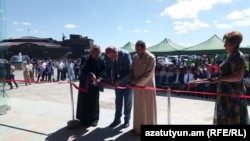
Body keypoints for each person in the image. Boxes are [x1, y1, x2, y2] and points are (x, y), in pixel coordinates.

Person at [211, 31, 249, 125]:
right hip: (226, 95)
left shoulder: (237, 56)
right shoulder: (231, 56)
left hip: (232, 97)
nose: (224, 46)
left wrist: (220, 79)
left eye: (226, 43)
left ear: (235, 44)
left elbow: (238, 77)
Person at [128, 40, 157, 135]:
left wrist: (135, 83)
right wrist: (131, 81)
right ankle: (137, 128)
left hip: (147, 87)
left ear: (144, 48)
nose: (137, 51)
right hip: (137, 87)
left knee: (147, 108)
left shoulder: (151, 57)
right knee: (138, 108)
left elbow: (148, 75)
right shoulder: (135, 57)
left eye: (139, 49)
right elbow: (131, 70)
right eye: (136, 49)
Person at [76, 45, 106, 127]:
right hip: (84, 84)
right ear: (91, 52)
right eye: (95, 54)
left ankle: (94, 119)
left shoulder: (101, 61)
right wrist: (89, 75)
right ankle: (83, 119)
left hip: (95, 85)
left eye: (98, 54)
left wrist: (99, 80)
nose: (96, 56)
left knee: (94, 103)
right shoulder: (85, 58)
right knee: (83, 102)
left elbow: (103, 72)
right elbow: (82, 69)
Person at [105, 46, 133, 128]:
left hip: (128, 82)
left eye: (112, 57)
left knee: (127, 102)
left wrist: (119, 80)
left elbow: (129, 70)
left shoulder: (126, 54)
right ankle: (117, 120)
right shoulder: (108, 56)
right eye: (109, 57)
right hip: (117, 83)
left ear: (116, 52)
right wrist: (108, 78)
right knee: (118, 101)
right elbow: (108, 68)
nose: (111, 59)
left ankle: (127, 120)